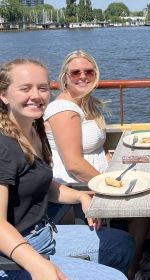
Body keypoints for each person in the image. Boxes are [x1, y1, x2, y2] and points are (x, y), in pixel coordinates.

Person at [0, 58, 135, 279]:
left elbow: (42, 184)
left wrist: (80, 196)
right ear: (4, 95)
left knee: (122, 245)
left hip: (44, 234)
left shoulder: (35, 130)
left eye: (42, 88)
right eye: (25, 88)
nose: (36, 95)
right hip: (13, 255)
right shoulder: (4, 146)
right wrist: (37, 265)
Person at [43, 50, 150, 280]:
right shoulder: (65, 110)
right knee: (140, 212)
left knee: (143, 190)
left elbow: (94, 149)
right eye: (75, 72)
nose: (82, 76)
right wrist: (111, 186)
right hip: (76, 185)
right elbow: (74, 164)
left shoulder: (85, 104)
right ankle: (131, 269)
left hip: (94, 178)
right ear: (65, 78)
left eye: (88, 71)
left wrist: (117, 164)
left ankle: (130, 259)